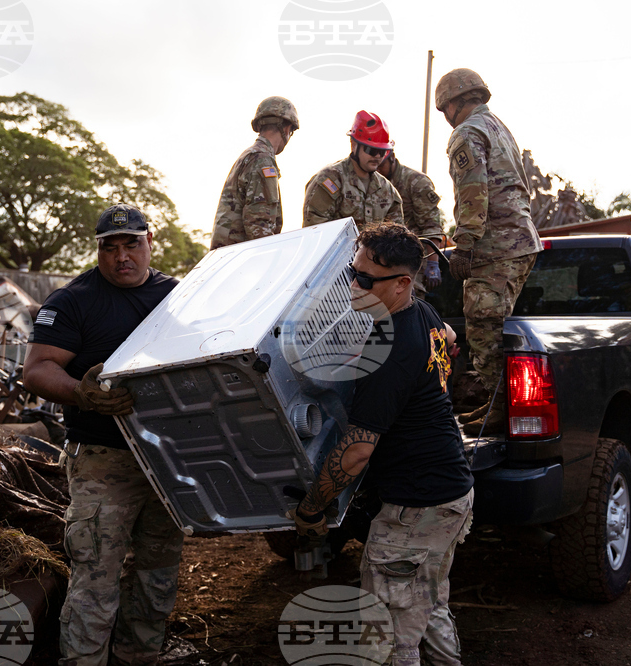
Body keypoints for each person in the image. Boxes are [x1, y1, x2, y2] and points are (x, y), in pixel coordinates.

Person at [293, 223, 474, 666]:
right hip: (452, 495)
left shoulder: (386, 348)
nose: (353, 284)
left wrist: (313, 507)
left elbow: (357, 451)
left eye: (364, 279)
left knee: (389, 639)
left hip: (415, 507)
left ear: (401, 284)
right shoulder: (423, 313)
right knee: (428, 608)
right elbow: (449, 336)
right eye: (351, 273)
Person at [24, 203, 185, 666]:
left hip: (167, 459)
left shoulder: (178, 297)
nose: (121, 257)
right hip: (102, 457)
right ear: (98, 251)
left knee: (158, 572)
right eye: (109, 248)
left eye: (131, 244)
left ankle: (139, 655)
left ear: (149, 242)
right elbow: (36, 371)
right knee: (95, 577)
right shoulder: (73, 301)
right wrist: (83, 393)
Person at [434, 68, 543, 436]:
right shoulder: (497, 126)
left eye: (445, 108)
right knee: (491, 326)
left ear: (452, 102)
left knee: (482, 325)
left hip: (497, 245)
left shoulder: (467, 132)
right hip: (518, 240)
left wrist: (463, 246)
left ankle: (503, 411)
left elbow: (473, 191)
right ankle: (499, 401)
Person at [211, 96, 299, 250]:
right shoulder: (263, 160)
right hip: (240, 261)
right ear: (286, 128)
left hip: (227, 258)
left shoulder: (249, 155)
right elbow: (259, 228)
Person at [303, 110, 404, 230]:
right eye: (371, 150)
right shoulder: (330, 181)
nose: (377, 156)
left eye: (382, 152)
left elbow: (396, 237)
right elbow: (315, 231)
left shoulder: (388, 191)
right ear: (354, 145)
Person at [377, 150, 446, 291]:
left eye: (381, 165)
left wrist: (433, 265)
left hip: (412, 259)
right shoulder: (373, 182)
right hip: (382, 258)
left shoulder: (415, 182)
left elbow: (431, 225)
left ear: (392, 158)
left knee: (409, 300)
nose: (377, 170)